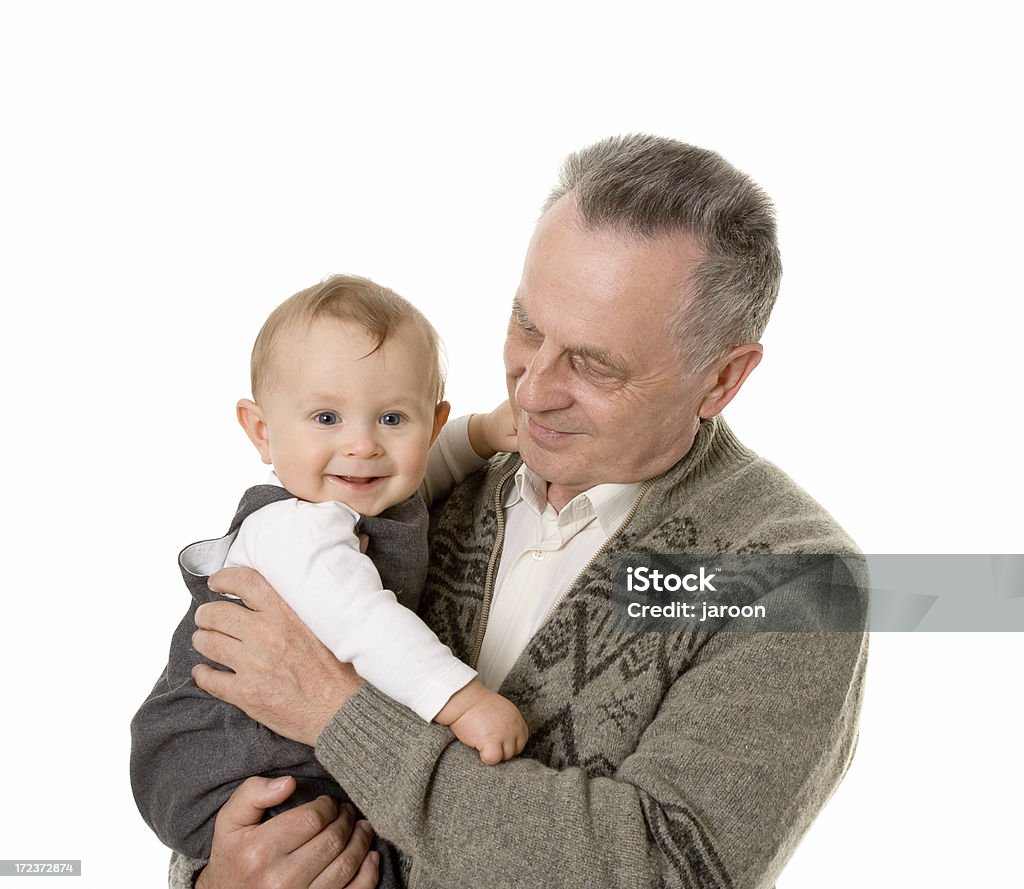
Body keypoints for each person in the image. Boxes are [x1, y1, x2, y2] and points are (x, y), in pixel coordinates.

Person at [164, 135, 869, 889]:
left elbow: (660, 870)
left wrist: (341, 715)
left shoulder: (789, 578)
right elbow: (237, 751)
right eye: (528, 327)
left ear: (722, 379)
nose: (531, 391)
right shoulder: (407, 491)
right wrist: (214, 876)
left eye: (594, 363)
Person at [131, 276, 528, 879]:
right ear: (262, 430)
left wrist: (480, 434)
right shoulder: (293, 530)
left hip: (291, 748)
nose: (362, 445)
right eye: (326, 417)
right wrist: (461, 699)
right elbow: (365, 624)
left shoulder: (366, 494)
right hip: (219, 758)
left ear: (432, 420)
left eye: (393, 417)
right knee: (343, 859)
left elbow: (427, 472)